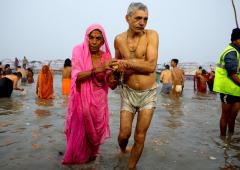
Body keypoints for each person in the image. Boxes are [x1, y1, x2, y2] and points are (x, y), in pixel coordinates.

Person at [111, 2, 159, 169]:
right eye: (138, 18)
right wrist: (114, 75)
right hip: (128, 92)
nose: (142, 22)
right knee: (124, 134)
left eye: (145, 19)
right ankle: (123, 151)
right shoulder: (118, 39)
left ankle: (131, 167)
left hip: (148, 93)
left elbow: (151, 66)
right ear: (127, 18)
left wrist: (128, 64)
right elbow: (116, 65)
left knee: (140, 136)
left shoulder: (152, 35)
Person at [63, 24, 114, 164]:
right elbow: (76, 76)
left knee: (95, 136)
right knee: (80, 133)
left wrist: (116, 74)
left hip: (99, 101)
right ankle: (78, 161)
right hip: (81, 100)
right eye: (91, 37)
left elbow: (110, 83)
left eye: (98, 38)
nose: (94, 41)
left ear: (103, 42)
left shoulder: (106, 56)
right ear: (87, 38)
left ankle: (90, 160)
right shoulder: (78, 50)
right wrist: (97, 69)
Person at [213, 28, 240, 138]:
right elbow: (232, 74)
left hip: (237, 90)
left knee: (233, 116)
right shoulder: (231, 53)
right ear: (235, 40)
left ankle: (230, 137)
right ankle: (223, 140)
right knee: (225, 116)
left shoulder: (238, 52)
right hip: (227, 90)